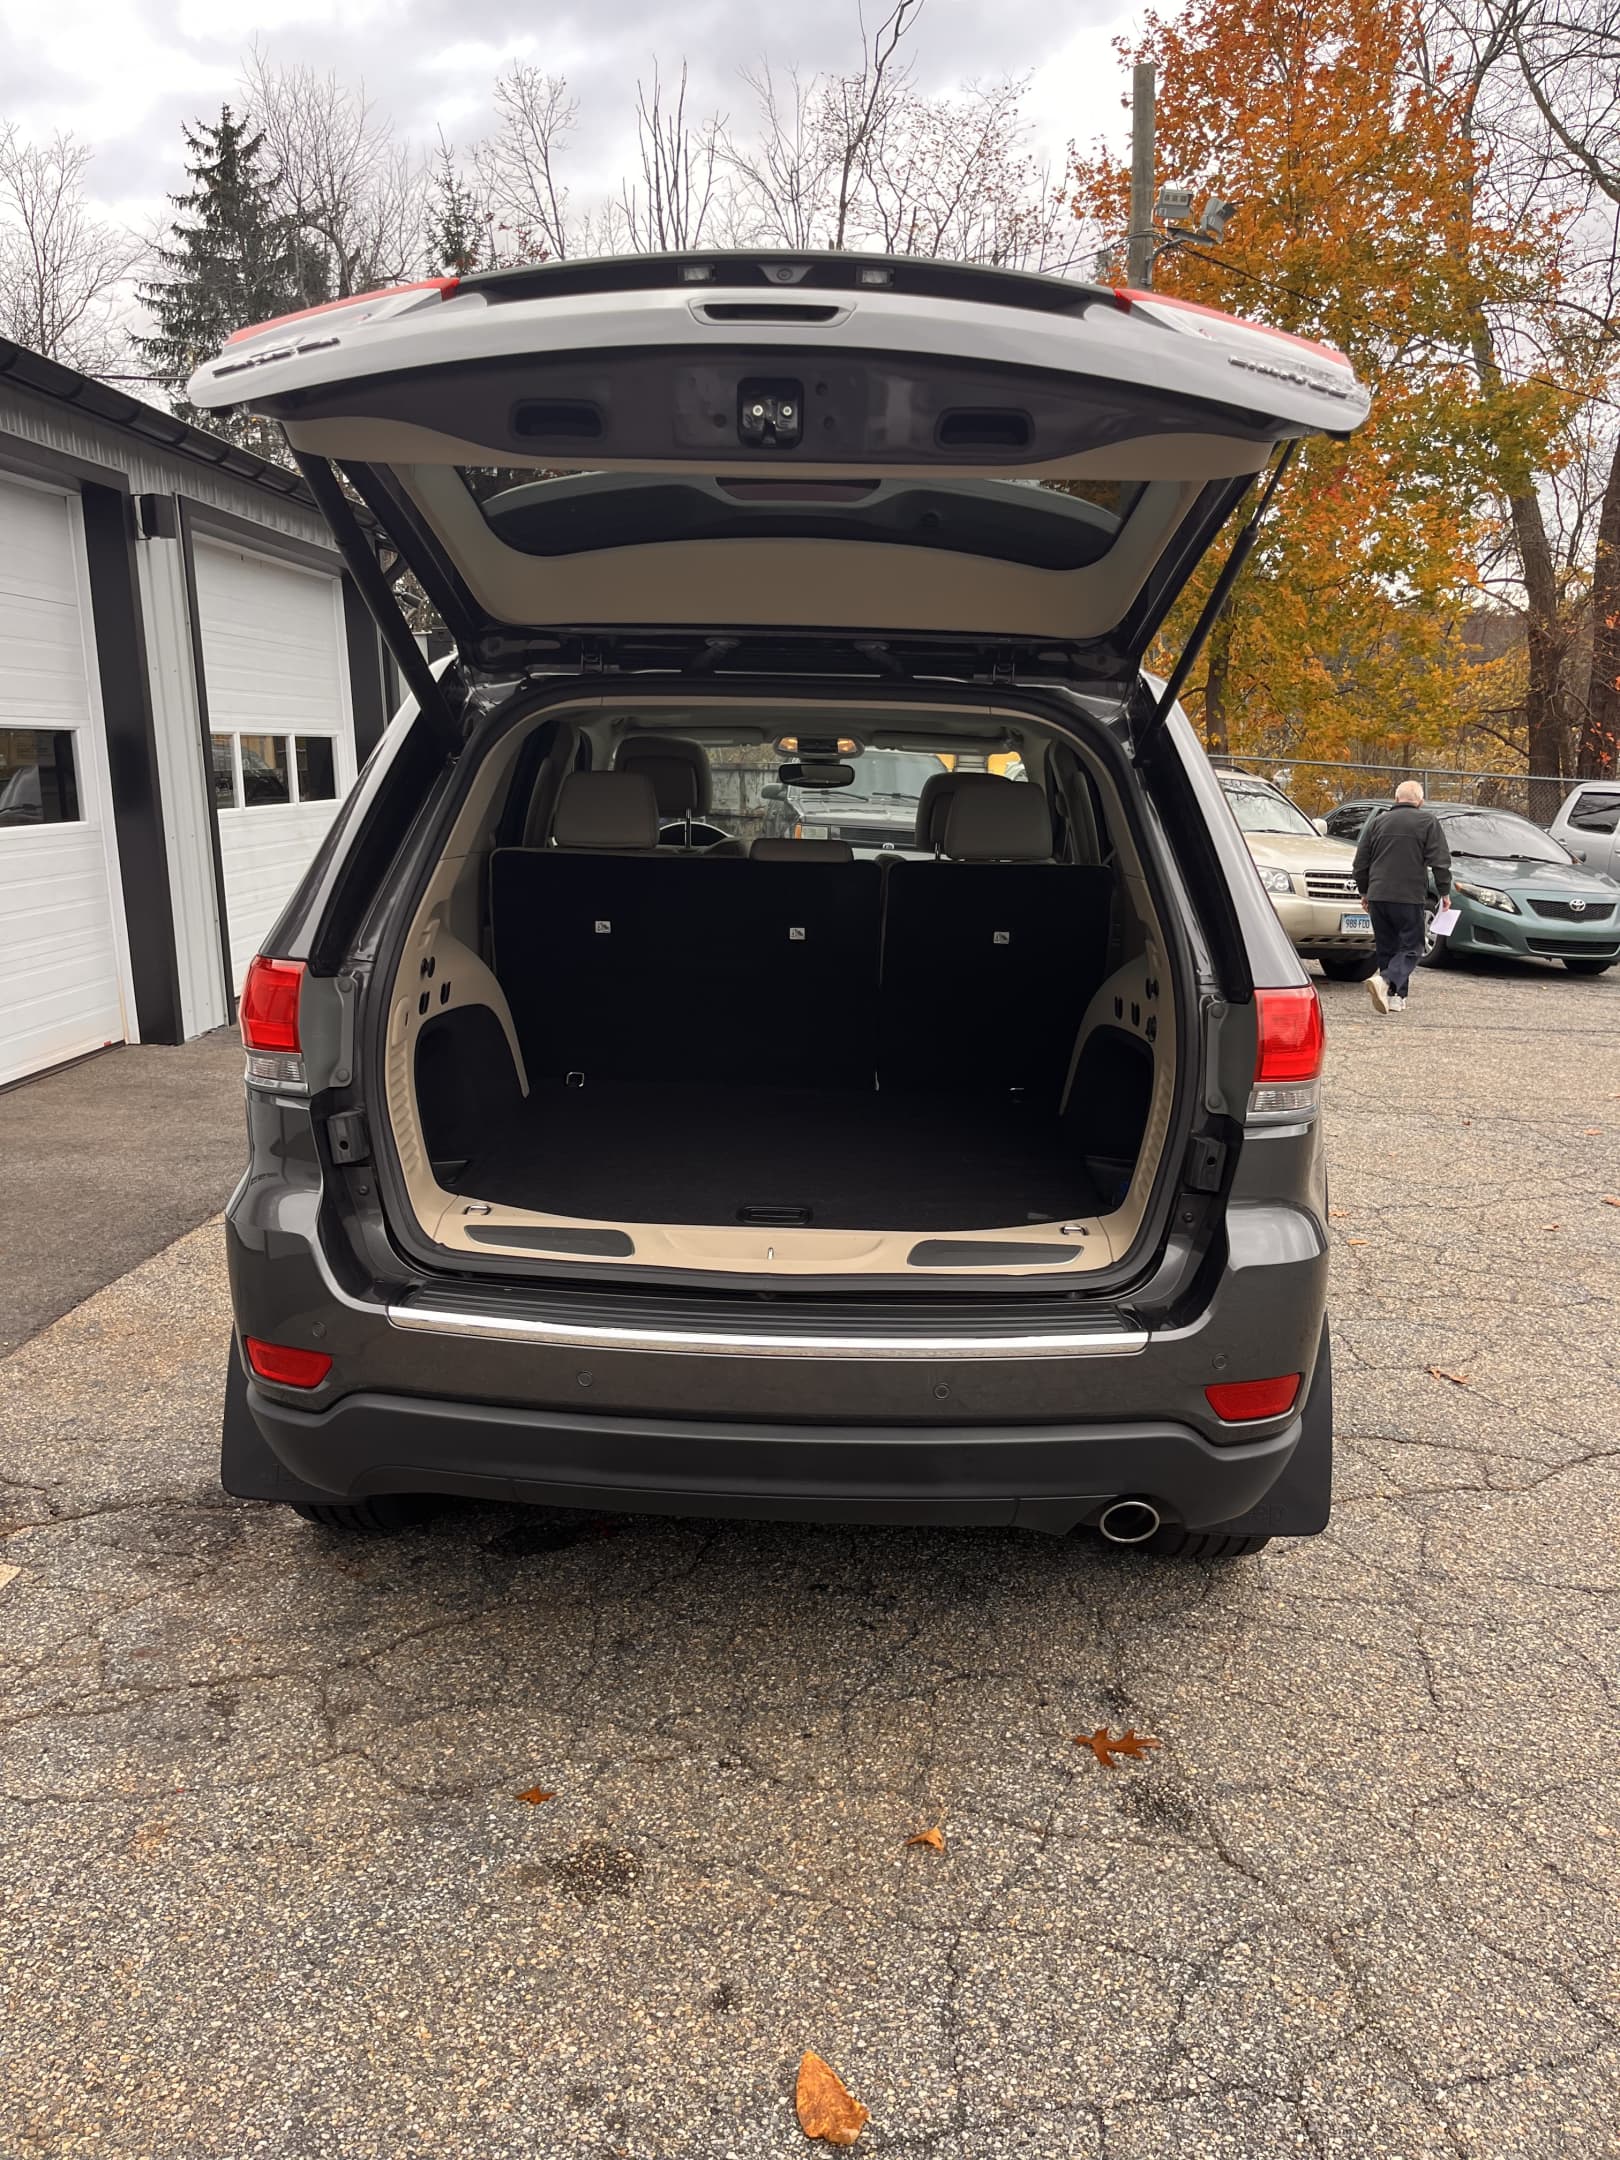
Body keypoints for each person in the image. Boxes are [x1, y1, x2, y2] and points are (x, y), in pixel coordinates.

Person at [1351, 780, 1452, 1012]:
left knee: (1387, 947)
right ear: (1421, 801)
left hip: (1378, 894)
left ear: (1396, 799)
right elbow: (1440, 861)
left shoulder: (1377, 822)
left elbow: (1360, 862)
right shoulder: (1428, 822)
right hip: (1409, 895)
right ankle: (1385, 980)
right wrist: (1444, 891)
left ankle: (1396, 997)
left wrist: (1364, 890)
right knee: (1411, 946)